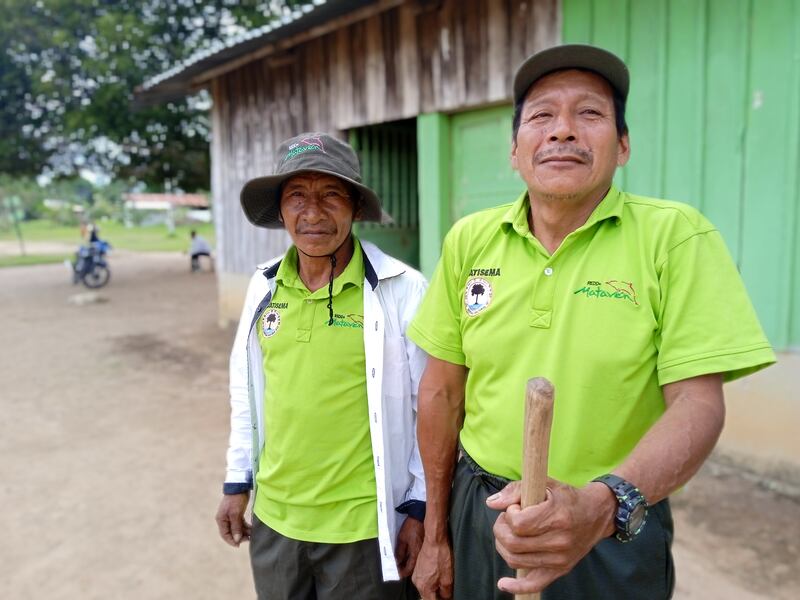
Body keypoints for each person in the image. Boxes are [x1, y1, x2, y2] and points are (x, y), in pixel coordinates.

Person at [407, 44, 776, 600]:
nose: (562, 131)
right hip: (480, 512)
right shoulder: (470, 239)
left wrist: (603, 505)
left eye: (589, 114)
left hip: (614, 526)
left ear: (623, 146)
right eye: (541, 116)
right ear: (514, 150)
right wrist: (436, 532)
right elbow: (440, 393)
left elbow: (698, 405)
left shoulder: (674, 237)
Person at [215, 133, 427, 600]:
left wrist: (419, 506)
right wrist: (237, 480)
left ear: (354, 206)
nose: (313, 213)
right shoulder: (262, 286)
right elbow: (246, 391)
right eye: (297, 196)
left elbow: (429, 406)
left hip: (361, 527)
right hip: (275, 521)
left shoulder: (402, 290)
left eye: (331, 194)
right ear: (281, 210)